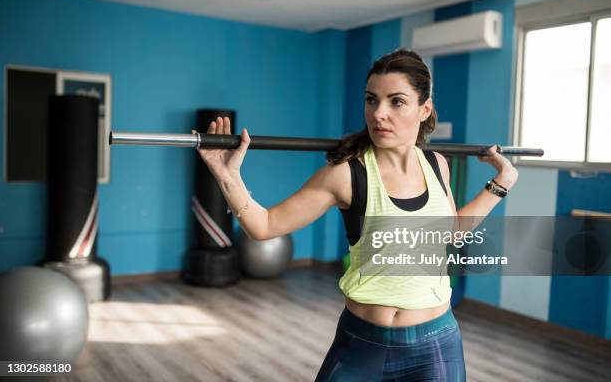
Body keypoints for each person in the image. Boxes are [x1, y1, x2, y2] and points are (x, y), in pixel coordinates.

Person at [196, 49, 518, 381]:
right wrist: (226, 175)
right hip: (364, 343)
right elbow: (263, 226)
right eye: (371, 100)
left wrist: (501, 183)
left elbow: (450, 233)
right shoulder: (347, 175)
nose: (379, 113)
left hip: (436, 344)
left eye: (396, 102)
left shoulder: (437, 165)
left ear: (424, 110)